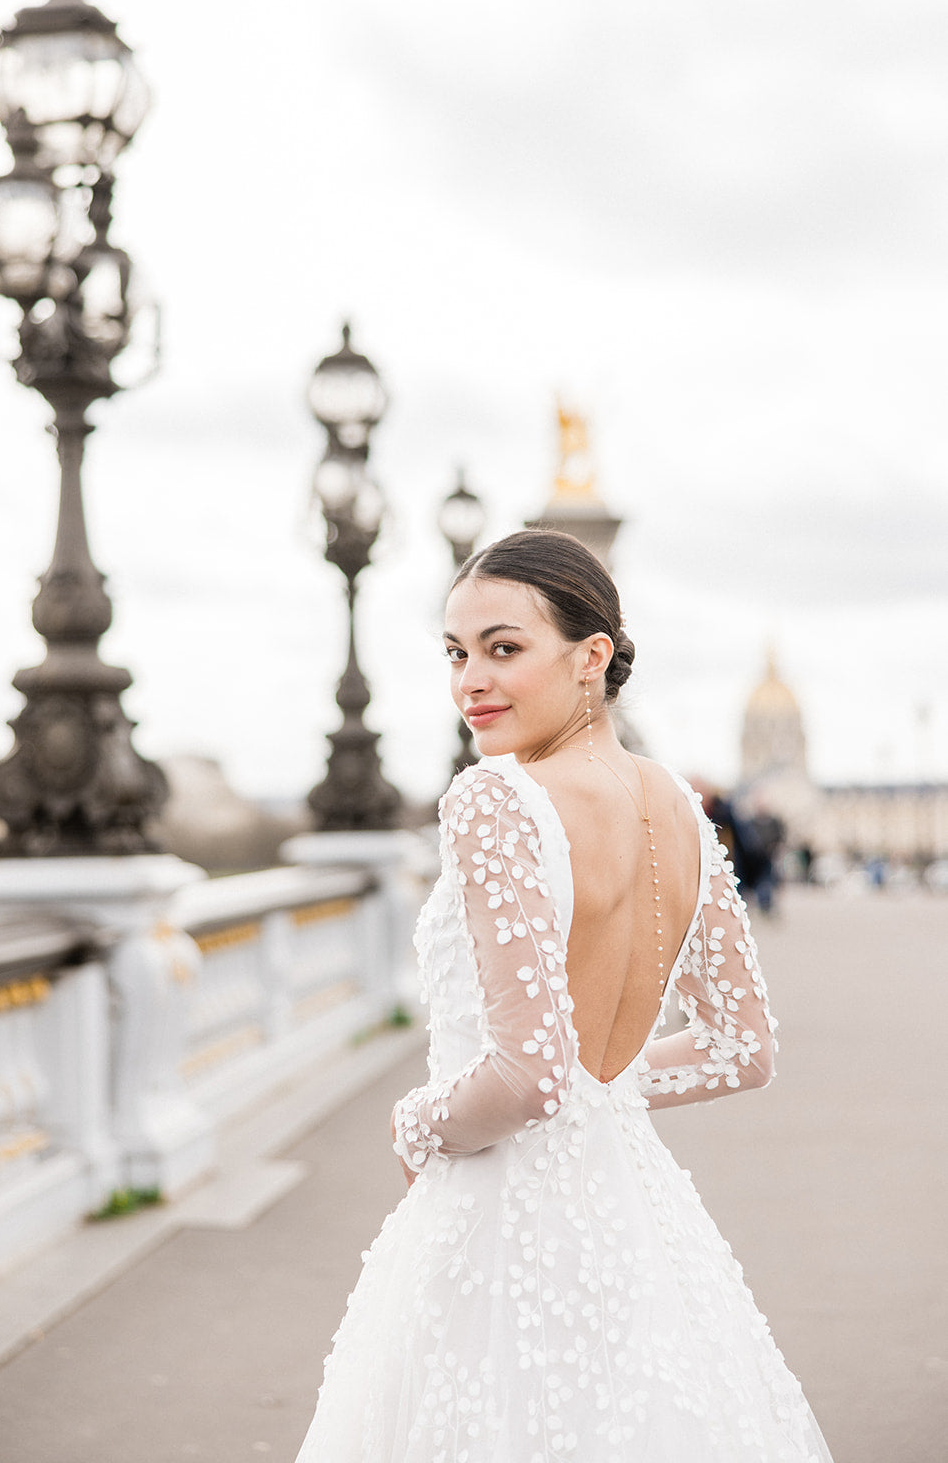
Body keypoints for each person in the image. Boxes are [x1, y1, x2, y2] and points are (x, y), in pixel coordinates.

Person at [296, 529, 833, 1463]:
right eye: (456, 653)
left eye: (504, 649)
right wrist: (605, 1095)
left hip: (504, 1216)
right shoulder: (675, 803)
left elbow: (531, 1075)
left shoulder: (495, 800)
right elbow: (737, 1049)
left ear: (591, 658)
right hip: (636, 1213)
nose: (471, 680)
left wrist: (420, 1123)